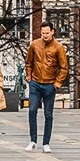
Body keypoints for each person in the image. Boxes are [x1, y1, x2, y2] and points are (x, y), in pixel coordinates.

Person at [25, 21, 68, 152]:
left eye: (47, 33)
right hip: (35, 83)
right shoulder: (34, 45)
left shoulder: (58, 47)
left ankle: (46, 143)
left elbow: (64, 67)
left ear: (52, 32)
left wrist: (57, 83)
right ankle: (33, 141)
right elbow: (29, 62)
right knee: (32, 110)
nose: (45, 35)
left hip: (50, 84)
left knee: (48, 114)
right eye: (43, 33)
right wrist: (28, 76)